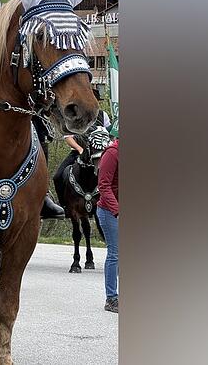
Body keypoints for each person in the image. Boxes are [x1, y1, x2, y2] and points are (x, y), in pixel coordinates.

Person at [95, 127, 119, 313]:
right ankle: (111, 298)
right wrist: (117, 210)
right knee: (115, 253)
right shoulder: (112, 154)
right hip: (109, 211)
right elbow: (103, 185)